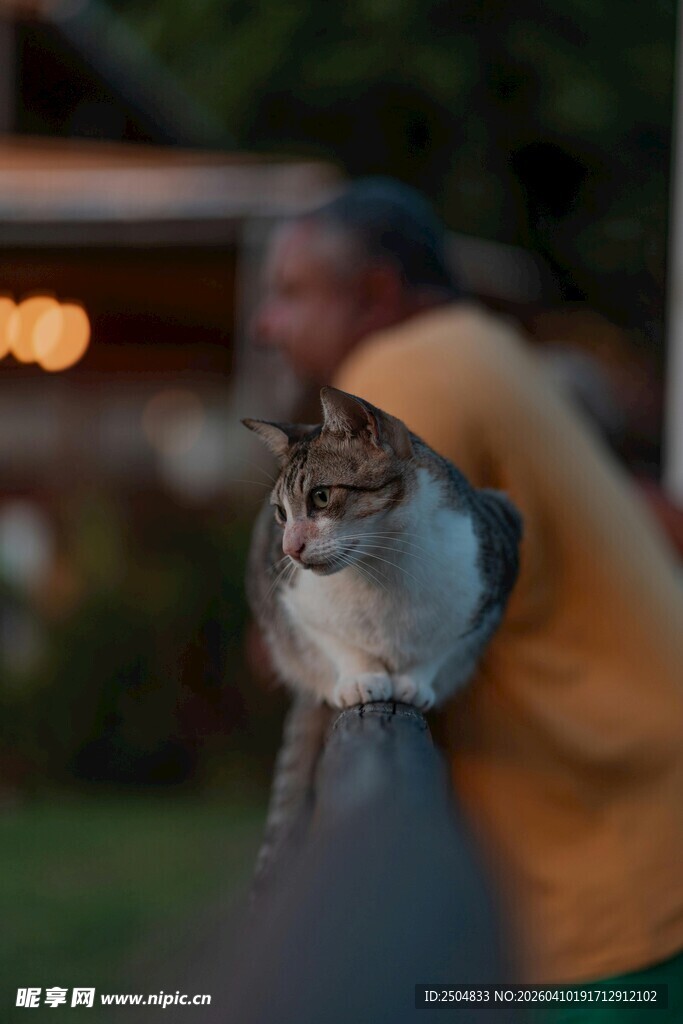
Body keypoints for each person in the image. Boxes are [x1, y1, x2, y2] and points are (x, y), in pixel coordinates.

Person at [251, 178, 683, 1003]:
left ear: (374, 294)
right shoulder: (486, 345)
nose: (265, 324)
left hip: (604, 858)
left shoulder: (399, 375)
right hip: (646, 814)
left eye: (290, 294)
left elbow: (298, 613)